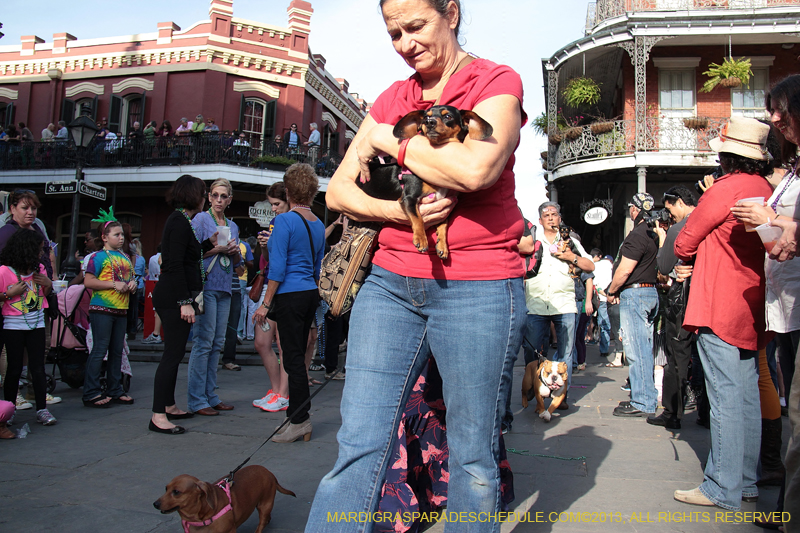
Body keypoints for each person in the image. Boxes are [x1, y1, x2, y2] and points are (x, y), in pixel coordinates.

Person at [305, 0, 527, 529]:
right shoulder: (393, 97)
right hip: (390, 285)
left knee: (473, 455)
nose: (406, 43)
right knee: (359, 442)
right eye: (394, 33)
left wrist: (385, 139)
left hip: (479, 284)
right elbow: (337, 192)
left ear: (450, 12)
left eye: (416, 25)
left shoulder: (495, 81)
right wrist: (398, 213)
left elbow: (476, 170)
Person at [673, 117, 774, 511]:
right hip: (752, 302)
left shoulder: (724, 189)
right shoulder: (764, 188)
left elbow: (684, 242)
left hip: (717, 301)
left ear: (726, 154)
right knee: (746, 393)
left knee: (726, 396)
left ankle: (722, 486)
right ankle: (745, 482)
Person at [730, 77, 800, 528]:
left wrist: (773, 220)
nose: (775, 118)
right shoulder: (792, 172)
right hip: (786, 309)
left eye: (781, 109)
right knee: (790, 408)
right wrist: (778, 230)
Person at [253, 164, 324, 442]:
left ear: (289, 190)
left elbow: (278, 268)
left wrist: (265, 304)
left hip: (290, 295)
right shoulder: (317, 222)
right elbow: (318, 265)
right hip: (309, 293)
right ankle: (297, 417)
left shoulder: (284, 221)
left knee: (292, 359)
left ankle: (299, 420)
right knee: (297, 358)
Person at [523, 202, 594, 409]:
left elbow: (590, 266)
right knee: (531, 350)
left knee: (565, 352)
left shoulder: (570, 242)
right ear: (540, 220)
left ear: (560, 219)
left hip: (564, 304)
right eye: (547, 215)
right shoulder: (533, 242)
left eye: (554, 214)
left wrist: (570, 256)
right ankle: (535, 387)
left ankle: (561, 396)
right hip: (536, 304)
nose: (551, 218)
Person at [150, 175, 206, 434]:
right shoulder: (179, 221)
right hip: (174, 297)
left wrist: (207, 245)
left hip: (176, 296)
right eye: (204, 193)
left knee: (176, 352)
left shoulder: (182, 221)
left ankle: (169, 405)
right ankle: (158, 415)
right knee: (171, 355)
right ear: (194, 195)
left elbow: (184, 257)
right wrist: (185, 302)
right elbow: (173, 265)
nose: (205, 198)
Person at [187, 178, 241, 416]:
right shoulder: (201, 219)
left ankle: (210, 395)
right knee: (203, 343)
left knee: (217, 344)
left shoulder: (233, 225)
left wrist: (235, 251)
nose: (219, 200)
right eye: (215, 195)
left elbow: (237, 264)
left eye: (224, 196)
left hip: (226, 287)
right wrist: (216, 249)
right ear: (209, 197)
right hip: (206, 285)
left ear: (229, 199)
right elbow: (191, 251)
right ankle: (197, 399)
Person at [606, 193, 660, 418]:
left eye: (631, 207)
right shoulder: (653, 235)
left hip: (636, 295)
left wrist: (612, 290)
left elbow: (625, 270)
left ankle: (643, 400)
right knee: (644, 349)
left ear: (635, 210)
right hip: (649, 292)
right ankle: (646, 394)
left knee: (636, 350)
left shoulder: (637, 235)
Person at [648, 186, 697, 430]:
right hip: (711, 298)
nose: (670, 216)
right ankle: (706, 411)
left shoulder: (682, 228)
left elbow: (665, 265)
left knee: (677, 356)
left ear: (679, 202)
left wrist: (663, 239)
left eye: (670, 210)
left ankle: (672, 411)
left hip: (685, 300)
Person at [0, 229, 55, 425]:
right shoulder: (5, 271)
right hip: (13, 325)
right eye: (39, 250)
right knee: (14, 369)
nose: (42, 254)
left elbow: (45, 293)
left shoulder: (39, 268)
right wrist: (9, 293)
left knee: (38, 367)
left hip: (37, 322)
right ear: (27, 249)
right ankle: (9, 409)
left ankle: (42, 409)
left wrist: (48, 283)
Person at [82, 214, 136, 409]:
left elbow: (131, 279)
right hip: (101, 309)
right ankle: (91, 392)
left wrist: (132, 284)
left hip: (121, 309)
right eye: (116, 234)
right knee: (99, 350)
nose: (121, 238)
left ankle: (115, 389)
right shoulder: (97, 257)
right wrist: (114, 284)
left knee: (116, 351)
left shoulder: (125, 258)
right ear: (104, 237)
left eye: (122, 234)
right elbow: (88, 281)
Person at [252, 182, 292, 411]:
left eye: (277, 204)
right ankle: (277, 390)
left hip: (283, 288)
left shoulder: (288, 221)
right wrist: (265, 246)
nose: (274, 208)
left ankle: (283, 394)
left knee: (282, 342)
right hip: (269, 284)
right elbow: (268, 259)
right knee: (262, 341)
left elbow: (285, 258)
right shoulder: (275, 222)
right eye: (272, 204)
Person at [590, 248, 613, 358]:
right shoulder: (610, 265)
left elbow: (594, 283)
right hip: (612, 296)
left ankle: (604, 349)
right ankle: (618, 350)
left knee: (603, 323)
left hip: (601, 298)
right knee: (612, 324)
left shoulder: (596, 266)